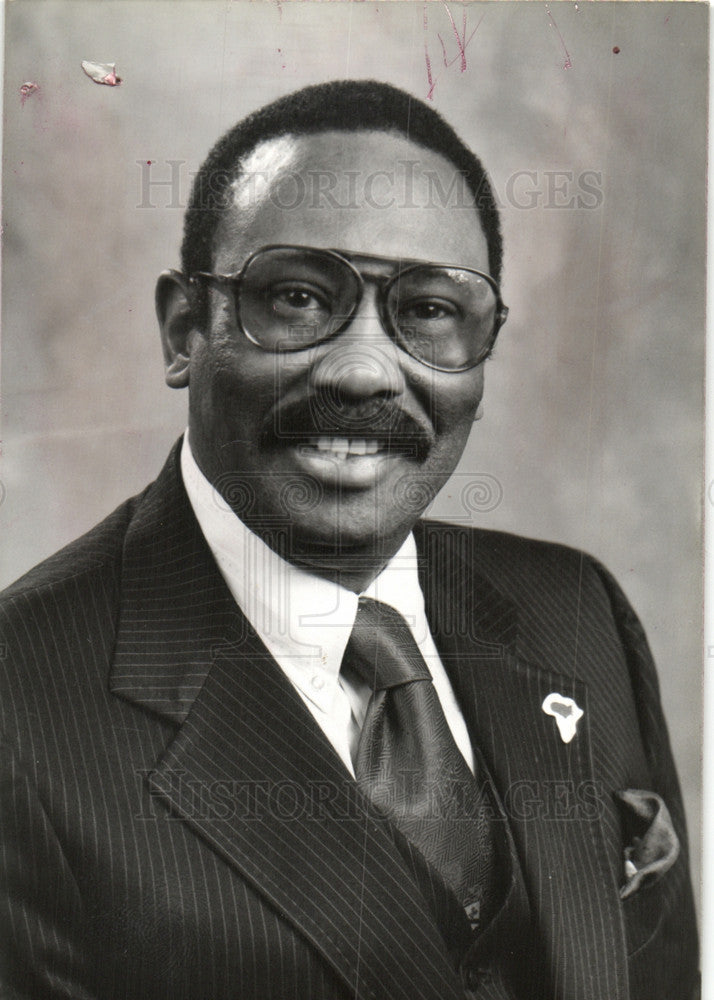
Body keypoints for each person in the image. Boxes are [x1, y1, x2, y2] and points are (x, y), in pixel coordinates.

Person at [0, 80, 698, 1000]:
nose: (367, 369)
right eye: (296, 297)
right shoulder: (20, 710)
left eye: (431, 310)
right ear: (183, 331)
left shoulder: (576, 610)